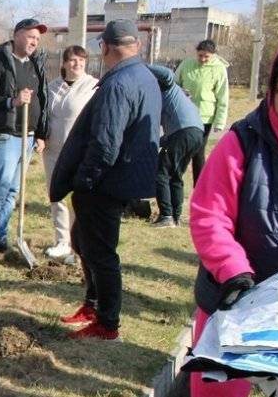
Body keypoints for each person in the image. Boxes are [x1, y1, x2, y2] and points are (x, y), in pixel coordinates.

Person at [183, 41, 278, 397]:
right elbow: (208, 215)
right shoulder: (242, 142)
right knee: (219, 396)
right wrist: (234, 272)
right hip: (234, 295)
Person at [49, 20, 160, 341]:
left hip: (105, 183)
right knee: (82, 239)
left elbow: (106, 143)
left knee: (101, 252)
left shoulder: (118, 84)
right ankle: (93, 304)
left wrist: (85, 180)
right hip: (123, 177)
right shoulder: (144, 76)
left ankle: (107, 323)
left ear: (107, 47)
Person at [0, 17, 49, 259]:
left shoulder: (37, 64)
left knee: (14, 189)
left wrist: (42, 133)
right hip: (5, 132)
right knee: (1, 185)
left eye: (37, 38)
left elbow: (43, 100)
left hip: (28, 134)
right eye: (30, 36)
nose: (34, 41)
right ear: (17, 35)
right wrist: (11, 102)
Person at [43, 45, 98, 263]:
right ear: (64, 63)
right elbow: (43, 116)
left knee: (78, 198)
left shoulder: (93, 86)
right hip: (53, 149)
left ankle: (78, 246)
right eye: (73, 60)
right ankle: (62, 241)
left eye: (82, 61)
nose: (77, 64)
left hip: (79, 151)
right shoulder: (52, 87)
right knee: (56, 195)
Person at [150, 65, 206, 228]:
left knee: (162, 172)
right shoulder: (173, 99)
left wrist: (141, 66)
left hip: (183, 131)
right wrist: (155, 144)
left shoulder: (169, 87)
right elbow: (168, 134)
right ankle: (176, 216)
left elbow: (167, 74)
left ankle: (166, 216)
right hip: (196, 133)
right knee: (175, 174)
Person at [174, 38, 230, 184]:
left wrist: (219, 121)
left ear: (213, 55)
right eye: (200, 55)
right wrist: (181, 91)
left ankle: (199, 185)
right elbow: (174, 84)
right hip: (184, 114)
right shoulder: (187, 64)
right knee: (183, 150)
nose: (203, 59)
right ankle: (176, 180)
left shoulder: (219, 69)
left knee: (198, 152)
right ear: (196, 53)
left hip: (205, 117)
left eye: (207, 56)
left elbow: (223, 96)